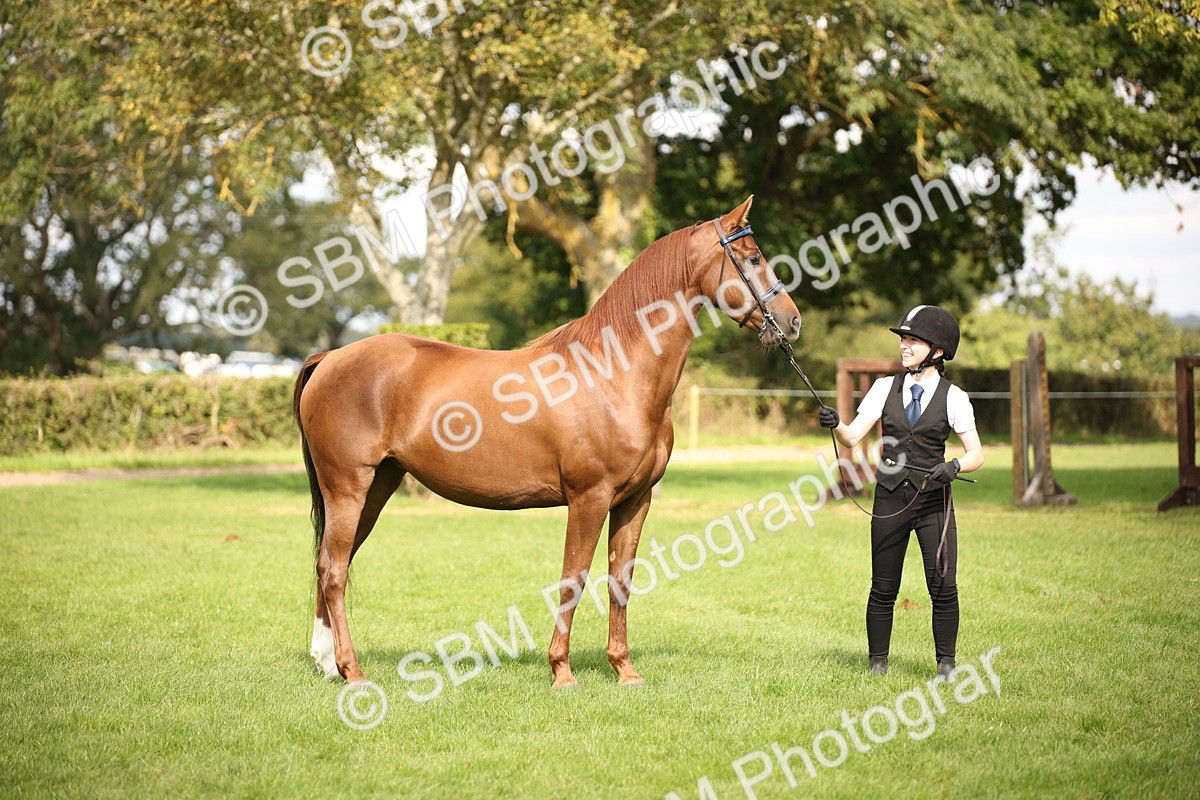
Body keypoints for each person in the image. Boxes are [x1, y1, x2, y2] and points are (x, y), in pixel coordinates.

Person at [817, 306, 983, 678]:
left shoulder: (955, 398)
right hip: (889, 498)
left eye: (913, 340)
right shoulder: (883, 388)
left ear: (937, 351)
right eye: (903, 339)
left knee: (943, 586)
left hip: (933, 502)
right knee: (883, 586)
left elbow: (977, 454)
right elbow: (851, 437)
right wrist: (835, 423)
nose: (904, 346)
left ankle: (946, 665)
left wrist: (954, 466)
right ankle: (877, 664)